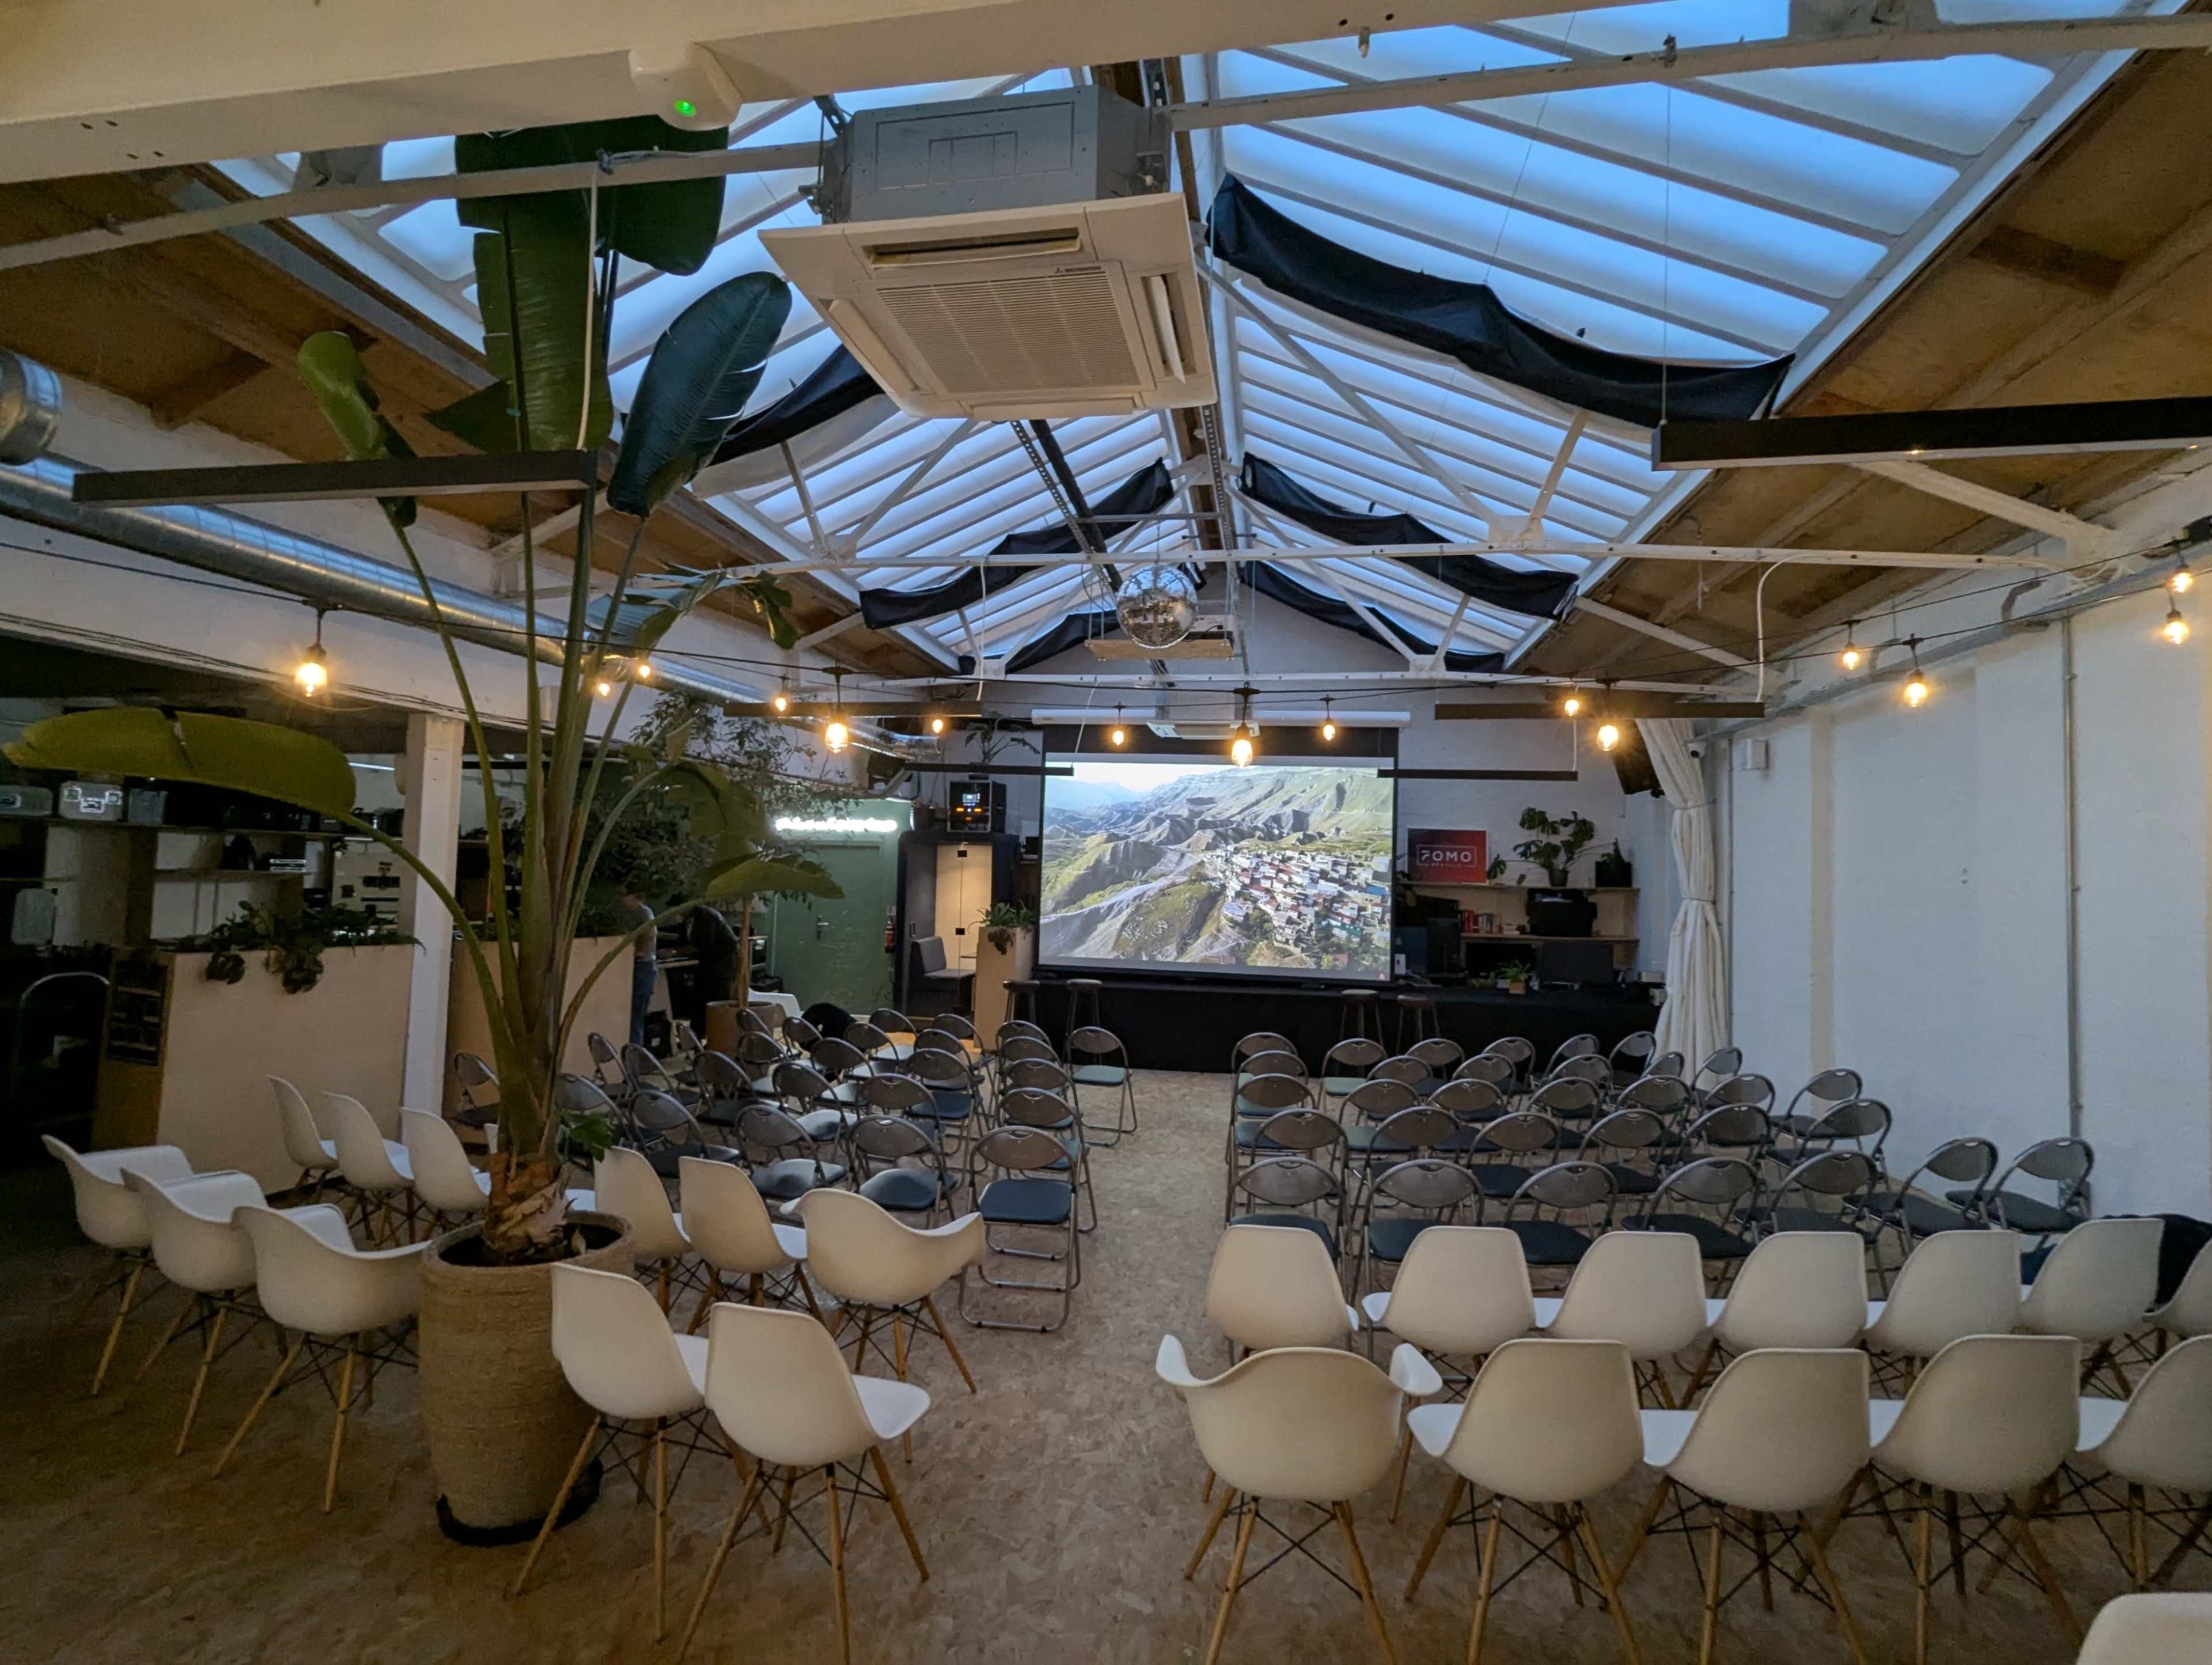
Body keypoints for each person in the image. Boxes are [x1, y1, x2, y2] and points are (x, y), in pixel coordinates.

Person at [683, 901, 740, 1034]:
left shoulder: (706, 916)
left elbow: (706, 943)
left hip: (722, 963)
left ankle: (717, 1036)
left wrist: (681, 952)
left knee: (717, 1000)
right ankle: (699, 1034)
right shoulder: (696, 917)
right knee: (701, 998)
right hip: (712, 961)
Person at [613, 882, 658, 1049]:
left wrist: (636, 953)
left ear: (633, 896)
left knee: (635, 1016)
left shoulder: (644, 913)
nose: (619, 900)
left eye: (622, 895)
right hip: (629, 967)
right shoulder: (624, 914)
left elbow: (649, 935)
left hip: (642, 966)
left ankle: (634, 1055)